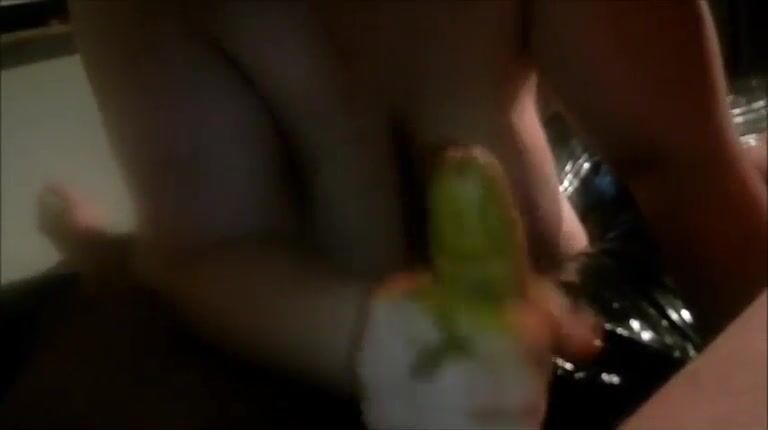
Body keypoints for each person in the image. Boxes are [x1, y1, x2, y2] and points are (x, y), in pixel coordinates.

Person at [17, 1, 768, 427]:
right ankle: (115, 259)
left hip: (560, 299)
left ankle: (115, 256)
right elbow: (216, 241)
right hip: (309, 346)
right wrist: (373, 341)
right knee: (126, 337)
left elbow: (686, 168)